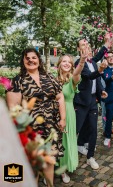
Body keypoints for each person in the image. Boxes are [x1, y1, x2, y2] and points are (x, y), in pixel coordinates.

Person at [6, 48, 66, 187]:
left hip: (52, 125)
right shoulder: (17, 81)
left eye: (34, 57)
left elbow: (60, 97)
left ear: (39, 60)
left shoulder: (49, 77)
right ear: (23, 61)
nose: (31, 60)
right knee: (33, 163)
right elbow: (13, 109)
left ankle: (50, 184)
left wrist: (62, 119)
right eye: (27, 58)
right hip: (32, 129)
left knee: (49, 158)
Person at [74, 36, 110, 170]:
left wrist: (101, 91)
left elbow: (96, 80)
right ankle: (70, 154)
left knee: (94, 129)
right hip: (81, 102)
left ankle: (90, 157)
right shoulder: (79, 63)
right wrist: (100, 70)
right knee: (77, 129)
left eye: (87, 44)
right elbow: (89, 76)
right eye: (83, 45)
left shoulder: (93, 62)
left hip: (93, 101)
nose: (86, 46)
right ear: (79, 49)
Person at [56, 47, 90, 183]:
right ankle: (51, 168)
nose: (66, 64)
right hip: (53, 113)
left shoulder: (73, 79)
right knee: (54, 142)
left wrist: (81, 61)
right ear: (59, 64)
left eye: (69, 62)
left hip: (68, 113)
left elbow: (77, 73)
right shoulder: (53, 79)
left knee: (65, 141)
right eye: (63, 61)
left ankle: (63, 171)